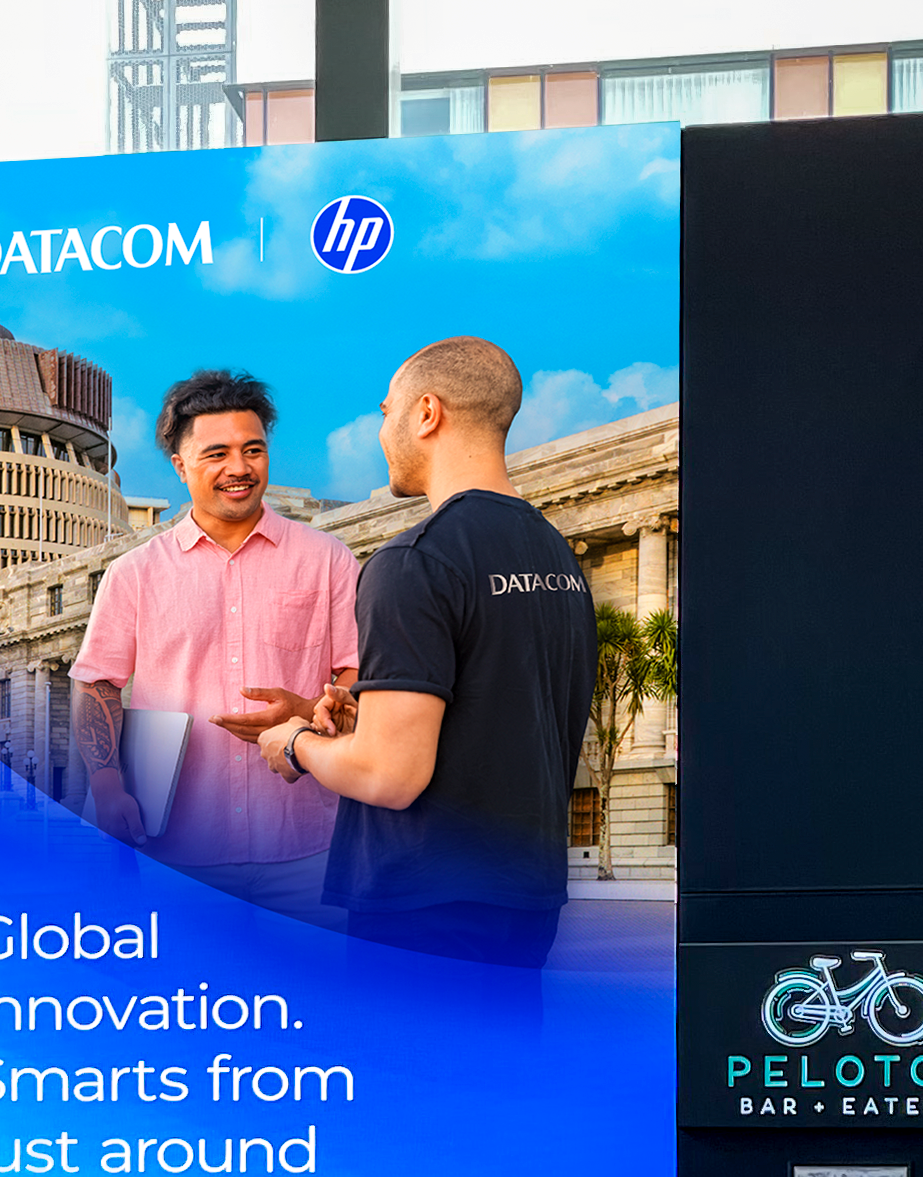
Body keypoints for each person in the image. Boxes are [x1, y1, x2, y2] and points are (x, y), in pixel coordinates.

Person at [258, 337, 599, 970]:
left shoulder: (412, 562)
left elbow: (389, 776)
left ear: (426, 413)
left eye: (386, 412)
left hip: (424, 908)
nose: (382, 432)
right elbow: (496, 710)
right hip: (526, 902)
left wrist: (295, 743)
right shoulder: (556, 557)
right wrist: (371, 712)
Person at [70, 370, 359, 914]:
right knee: (188, 998)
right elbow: (99, 683)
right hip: (178, 847)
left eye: (254, 450)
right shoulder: (134, 575)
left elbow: (355, 671)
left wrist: (308, 709)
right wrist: (106, 785)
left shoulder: (329, 561)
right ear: (180, 467)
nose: (239, 468)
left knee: (306, 999)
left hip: (305, 845)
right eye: (217, 453)